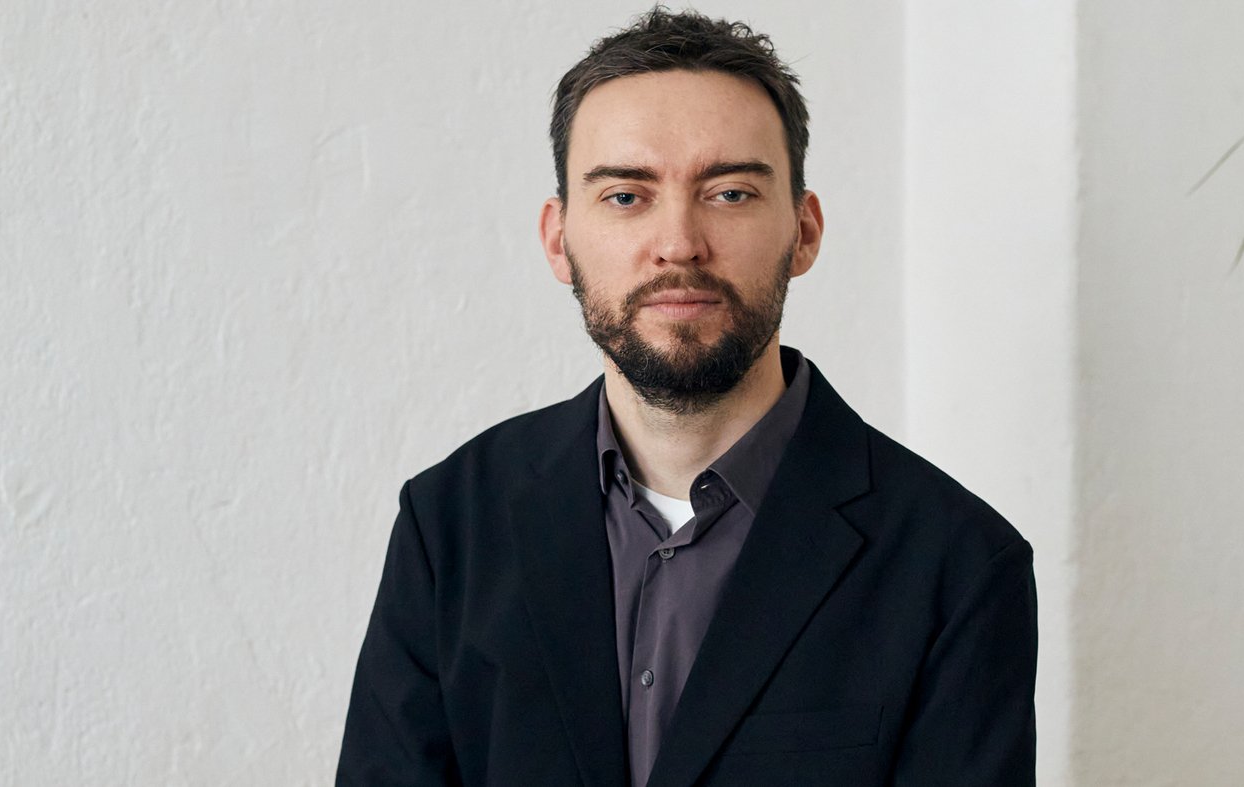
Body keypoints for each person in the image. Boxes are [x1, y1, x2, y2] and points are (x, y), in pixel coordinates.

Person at [336, 8, 1036, 786]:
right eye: (625, 196)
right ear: (558, 239)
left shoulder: (957, 563)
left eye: (729, 193)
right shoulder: (449, 524)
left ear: (803, 232)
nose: (678, 243)